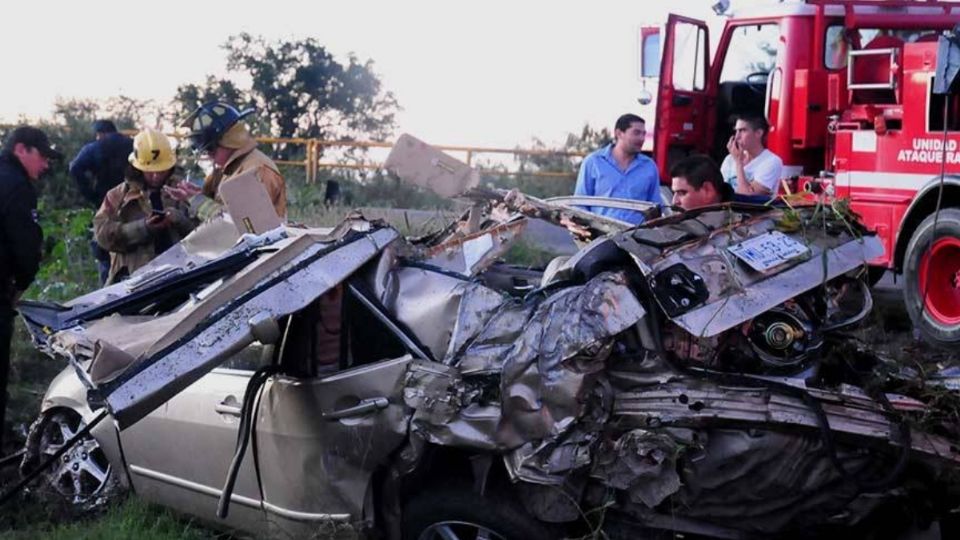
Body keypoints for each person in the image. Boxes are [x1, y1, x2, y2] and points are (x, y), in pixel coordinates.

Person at [0, 126, 62, 451]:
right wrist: (21, 284)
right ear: (22, 149)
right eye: (43, 156)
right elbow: (25, 247)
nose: (46, 165)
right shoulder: (16, 186)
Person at [94, 128, 196, 285]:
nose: (155, 176)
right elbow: (102, 236)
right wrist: (143, 228)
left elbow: (208, 232)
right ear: (137, 167)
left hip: (184, 277)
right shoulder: (117, 196)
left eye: (160, 170)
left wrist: (179, 220)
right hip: (135, 284)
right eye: (149, 171)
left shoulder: (184, 191)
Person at [166, 101, 286, 221]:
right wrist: (199, 195)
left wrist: (196, 200)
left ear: (229, 141)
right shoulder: (231, 169)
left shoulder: (257, 170)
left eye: (210, 149)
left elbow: (241, 223)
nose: (209, 156)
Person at [70, 120, 134, 284]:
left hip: (107, 206)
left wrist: (91, 196)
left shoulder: (95, 148)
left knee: (106, 251)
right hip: (134, 203)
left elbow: (75, 168)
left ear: (100, 134)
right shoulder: (132, 144)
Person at [574, 113, 662, 224]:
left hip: (636, 237)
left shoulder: (649, 167)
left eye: (644, 134)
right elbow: (580, 203)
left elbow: (656, 208)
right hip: (600, 235)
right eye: (636, 133)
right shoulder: (594, 162)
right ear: (619, 133)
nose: (642, 138)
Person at [721, 115, 783, 198]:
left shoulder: (772, 161)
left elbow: (746, 196)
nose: (737, 137)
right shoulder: (729, 159)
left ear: (758, 133)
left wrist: (739, 163)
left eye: (742, 131)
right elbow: (719, 192)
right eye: (736, 131)